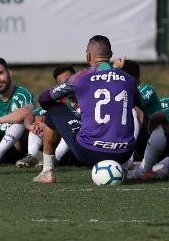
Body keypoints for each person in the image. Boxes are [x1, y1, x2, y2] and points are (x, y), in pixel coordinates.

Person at [32, 35, 141, 184]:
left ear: (89, 56)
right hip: (124, 153)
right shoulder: (129, 79)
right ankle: (125, 166)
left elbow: (44, 98)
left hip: (89, 151)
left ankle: (47, 172)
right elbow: (136, 103)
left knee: (53, 109)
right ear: (110, 54)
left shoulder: (80, 77)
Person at [17, 65, 78, 168]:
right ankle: (31, 156)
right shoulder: (59, 101)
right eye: (62, 84)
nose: (66, 85)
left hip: (81, 146)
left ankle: (55, 159)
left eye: (68, 80)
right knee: (38, 126)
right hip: (62, 147)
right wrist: (31, 127)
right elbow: (31, 114)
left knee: (72, 129)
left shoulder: (88, 97)